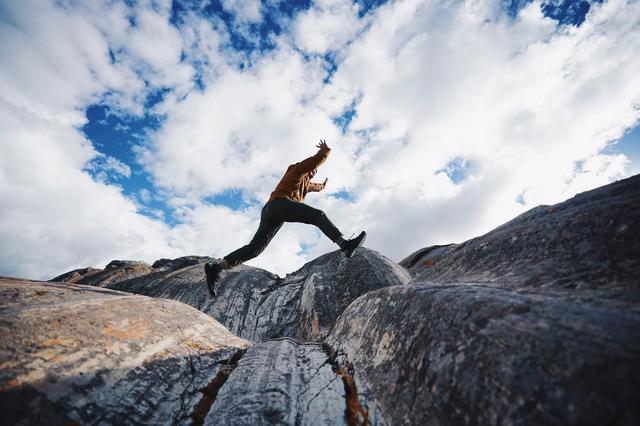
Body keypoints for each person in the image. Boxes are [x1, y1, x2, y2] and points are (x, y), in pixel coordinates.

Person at [204, 140, 366, 297]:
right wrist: (324, 151)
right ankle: (345, 245)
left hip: (272, 213)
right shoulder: (295, 171)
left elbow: (314, 187)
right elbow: (312, 163)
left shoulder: (305, 184)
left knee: (255, 249)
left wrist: (322, 186)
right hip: (279, 205)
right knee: (318, 216)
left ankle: (217, 268)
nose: (311, 173)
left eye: (312, 174)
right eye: (310, 171)